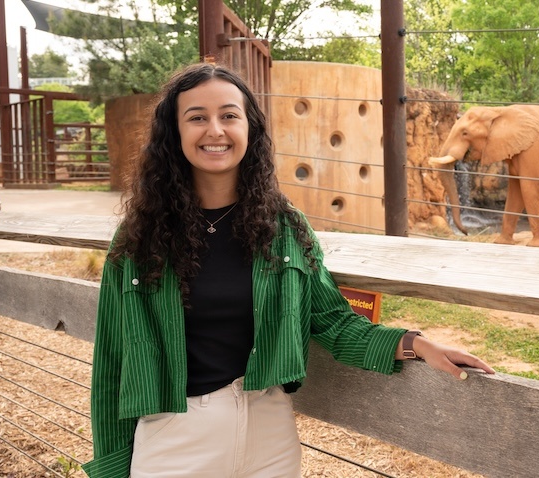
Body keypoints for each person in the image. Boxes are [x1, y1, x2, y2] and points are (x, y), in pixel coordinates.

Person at [82, 62, 494, 478]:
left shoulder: (282, 226)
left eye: (229, 115)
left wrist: (414, 344)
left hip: (269, 435)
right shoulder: (140, 238)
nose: (215, 130)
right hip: (175, 436)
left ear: (250, 128)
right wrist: (112, 468)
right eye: (197, 118)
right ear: (174, 133)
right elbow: (112, 362)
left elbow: (332, 319)